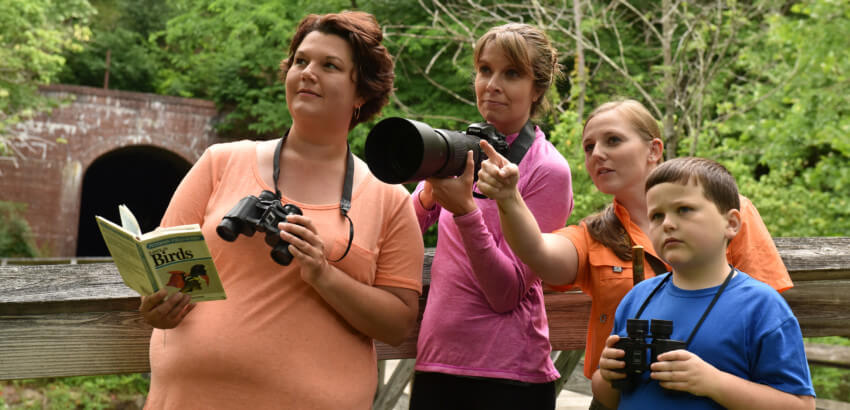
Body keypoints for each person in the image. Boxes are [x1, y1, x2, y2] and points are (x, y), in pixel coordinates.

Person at [138, 11, 424, 409]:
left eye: (330, 66)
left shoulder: (389, 200)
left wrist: (324, 274)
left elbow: (397, 324)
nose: (307, 72)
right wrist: (157, 307)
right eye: (301, 61)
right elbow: (162, 268)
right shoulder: (220, 163)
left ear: (361, 93)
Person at [476, 98, 793, 385]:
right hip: (622, 396)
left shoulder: (725, 211)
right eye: (589, 147)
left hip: (719, 392)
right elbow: (538, 252)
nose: (598, 153)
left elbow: (768, 314)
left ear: (654, 150)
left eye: (613, 140)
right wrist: (509, 198)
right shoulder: (594, 235)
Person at [408, 23, 573, 410]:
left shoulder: (547, 169)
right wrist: (430, 195)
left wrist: (466, 211)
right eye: (485, 69)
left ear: (537, 89)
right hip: (437, 364)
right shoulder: (456, 151)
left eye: (511, 73)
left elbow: (506, 293)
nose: (492, 84)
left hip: (510, 376)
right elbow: (400, 233)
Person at [592, 157, 815, 409]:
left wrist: (714, 383)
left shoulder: (760, 306)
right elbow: (608, 397)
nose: (668, 224)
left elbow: (801, 405)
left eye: (684, 209)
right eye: (656, 215)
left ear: (731, 224)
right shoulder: (638, 298)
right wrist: (609, 376)